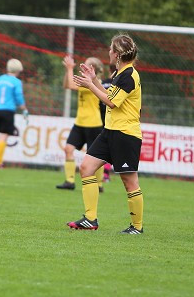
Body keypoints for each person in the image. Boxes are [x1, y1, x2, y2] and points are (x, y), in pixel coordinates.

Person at [67, 34, 144, 234]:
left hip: (126, 134)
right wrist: (94, 80)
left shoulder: (129, 75)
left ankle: (137, 227)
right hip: (110, 131)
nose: (108, 52)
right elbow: (110, 96)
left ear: (117, 54)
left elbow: (111, 102)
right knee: (86, 167)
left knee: (129, 181)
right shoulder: (121, 73)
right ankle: (90, 219)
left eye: (111, 49)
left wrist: (90, 85)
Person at [56, 54, 105, 190]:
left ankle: (99, 184)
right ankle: (69, 182)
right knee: (68, 149)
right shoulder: (85, 81)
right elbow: (67, 85)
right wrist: (68, 70)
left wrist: (70, 68)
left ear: (92, 68)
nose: (83, 65)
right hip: (80, 122)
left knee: (95, 157)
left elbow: (71, 85)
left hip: (94, 124)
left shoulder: (95, 83)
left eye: (86, 64)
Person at [0, 58, 28, 168]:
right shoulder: (17, 82)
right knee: (4, 136)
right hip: (8, 111)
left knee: (0, 135)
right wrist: (24, 109)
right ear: (18, 70)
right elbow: (19, 97)